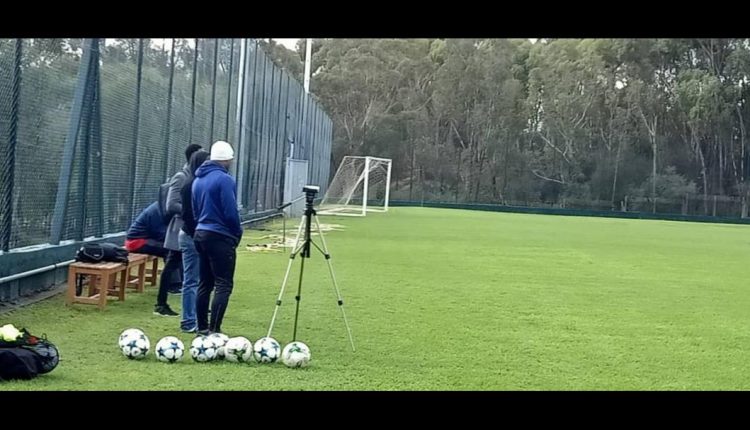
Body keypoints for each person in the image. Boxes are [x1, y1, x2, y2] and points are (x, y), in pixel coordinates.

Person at [192, 141, 243, 335]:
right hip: (220, 235)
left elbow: (196, 211)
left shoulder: (198, 180)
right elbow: (230, 212)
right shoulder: (225, 180)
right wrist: (236, 232)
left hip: (201, 233)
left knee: (204, 283)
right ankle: (215, 330)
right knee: (223, 284)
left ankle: (202, 328)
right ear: (227, 159)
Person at [124, 202, 179, 316]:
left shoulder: (161, 206)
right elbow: (160, 232)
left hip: (145, 239)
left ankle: (176, 282)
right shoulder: (158, 211)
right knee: (171, 250)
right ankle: (174, 285)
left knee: (173, 248)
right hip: (136, 241)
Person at [163, 144, 203, 295]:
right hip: (180, 226)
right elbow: (171, 204)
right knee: (172, 262)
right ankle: (162, 300)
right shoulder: (181, 177)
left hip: (190, 226)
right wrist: (191, 211)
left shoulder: (195, 176)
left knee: (179, 263)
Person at [177, 149, 210, 333]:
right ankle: (188, 321)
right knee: (191, 280)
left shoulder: (197, 183)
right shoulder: (190, 186)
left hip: (195, 236)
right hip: (191, 237)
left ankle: (197, 318)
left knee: (199, 279)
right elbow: (188, 216)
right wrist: (198, 235)